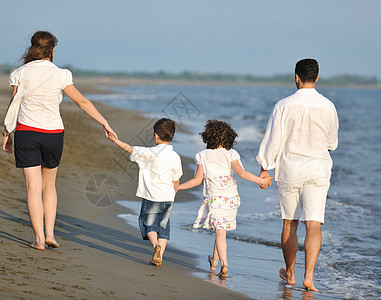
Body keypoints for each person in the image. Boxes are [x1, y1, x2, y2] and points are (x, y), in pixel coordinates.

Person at [2, 31, 117, 250]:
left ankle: (38, 240)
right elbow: (82, 102)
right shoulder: (62, 74)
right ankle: (50, 234)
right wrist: (105, 123)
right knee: (49, 185)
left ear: (32, 47)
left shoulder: (19, 73)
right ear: (53, 50)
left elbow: (12, 106)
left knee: (33, 187)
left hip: (27, 132)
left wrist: (7, 134)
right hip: (53, 134)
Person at [256, 58, 339, 291]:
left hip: (290, 168)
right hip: (318, 169)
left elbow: (273, 140)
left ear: (296, 77)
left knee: (289, 223)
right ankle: (309, 277)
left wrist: (265, 168)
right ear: (317, 78)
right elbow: (332, 143)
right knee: (314, 225)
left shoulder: (283, 105)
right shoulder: (329, 106)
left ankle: (290, 273)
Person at [178, 120, 272, 276]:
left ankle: (225, 264)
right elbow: (242, 173)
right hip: (231, 198)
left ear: (208, 136)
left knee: (220, 232)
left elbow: (197, 180)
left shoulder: (202, 155)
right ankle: (214, 263)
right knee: (220, 232)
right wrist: (261, 180)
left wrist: (179, 187)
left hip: (215, 199)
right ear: (229, 137)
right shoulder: (231, 154)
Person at [108, 118, 183, 266]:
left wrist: (114, 140)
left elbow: (130, 149)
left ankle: (156, 247)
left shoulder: (149, 152)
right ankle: (159, 257)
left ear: (156, 135)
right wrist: (173, 193)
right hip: (168, 197)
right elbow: (176, 179)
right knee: (164, 227)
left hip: (151, 196)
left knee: (148, 225)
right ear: (172, 136)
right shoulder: (175, 156)